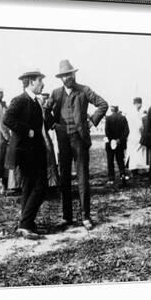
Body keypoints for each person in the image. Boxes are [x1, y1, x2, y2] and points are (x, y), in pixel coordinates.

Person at [44, 59, 108, 230]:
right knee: (64, 178)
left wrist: (91, 121)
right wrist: (52, 124)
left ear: (74, 74)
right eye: (64, 76)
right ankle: (67, 217)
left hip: (79, 140)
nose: (67, 78)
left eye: (70, 74)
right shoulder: (56, 93)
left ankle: (85, 216)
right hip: (63, 140)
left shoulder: (84, 90)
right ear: (60, 78)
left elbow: (103, 104)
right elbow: (45, 110)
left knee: (82, 178)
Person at [3, 69, 48, 238]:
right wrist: (26, 130)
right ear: (31, 82)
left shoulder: (35, 101)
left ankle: (27, 224)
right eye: (40, 81)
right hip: (26, 152)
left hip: (34, 151)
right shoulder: (20, 100)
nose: (42, 84)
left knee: (29, 188)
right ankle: (26, 224)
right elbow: (7, 119)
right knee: (40, 187)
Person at [37, 92, 60, 190]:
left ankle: (48, 183)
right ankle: (50, 183)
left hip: (42, 136)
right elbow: (50, 124)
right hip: (44, 136)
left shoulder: (42, 110)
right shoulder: (44, 110)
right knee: (49, 159)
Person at [104, 105, 129, 186]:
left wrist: (112, 139)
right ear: (118, 109)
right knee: (120, 160)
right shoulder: (123, 118)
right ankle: (122, 175)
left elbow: (107, 131)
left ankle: (111, 178)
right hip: (120, 143)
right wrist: (119, 139)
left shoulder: (108, 118)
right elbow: (126, 131)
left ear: (111, 110)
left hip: (110, 142)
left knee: (110, 161)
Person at [125, 97, 148, 175]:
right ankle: (136, 168)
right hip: (137, 135)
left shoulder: (130, 112)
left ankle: (134, 168)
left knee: (133, 152)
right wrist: (143, 134)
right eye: (139, 103)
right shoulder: (136, 113)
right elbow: (140, 126)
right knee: (138, 152)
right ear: (137, 104)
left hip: (131, 135)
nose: (141, 105)